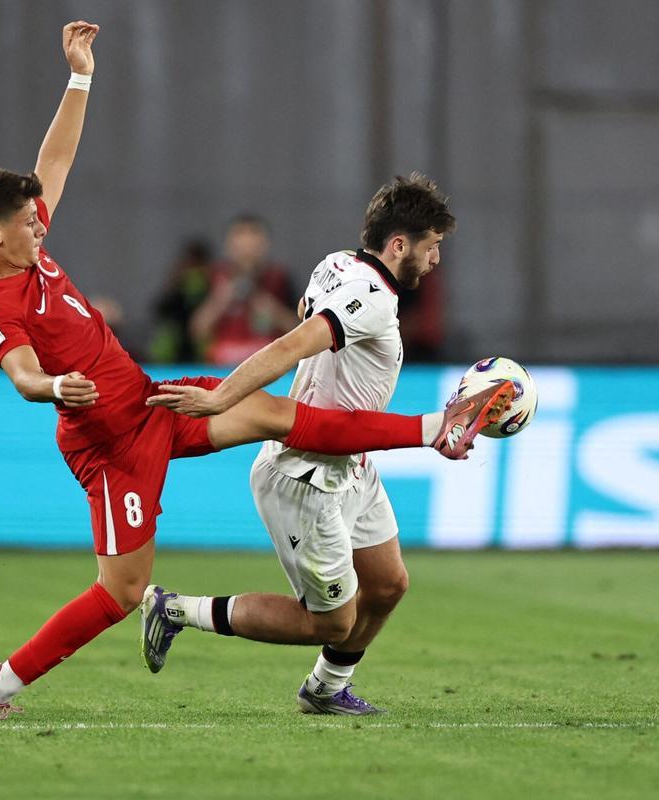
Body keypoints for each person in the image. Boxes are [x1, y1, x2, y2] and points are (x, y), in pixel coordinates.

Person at [0, 24, 509, 721]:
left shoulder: (26, 247)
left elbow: (54, 161)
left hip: (151, 401)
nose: (42, 227)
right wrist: (52, 388)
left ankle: (430, 431)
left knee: (278, 415)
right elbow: (22, 371)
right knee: (121, 592)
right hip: (109, 443)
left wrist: (80, 76)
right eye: (27, 224)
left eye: (39, 219)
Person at [141, 173, 502, 715]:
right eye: (431, 248)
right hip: (306, 476)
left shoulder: (336, 264)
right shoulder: (373, 299)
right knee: (330, 621)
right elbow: (294, 342)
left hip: (350, 462)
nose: (435, 261)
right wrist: (224, 398)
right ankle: (176, 610)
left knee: (387, 585)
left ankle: (326, 691)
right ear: (398, 244)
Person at [190, 215, 300, 365]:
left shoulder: (280, 278)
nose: (247, 246)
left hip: (268, 368)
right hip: (222, 369)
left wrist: (272, 310)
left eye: (253, 236)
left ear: (265, 243)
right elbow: (197, 330)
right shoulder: (212, 277)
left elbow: (301, 330)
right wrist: (220, 301)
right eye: (240, 237)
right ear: (229, 244)